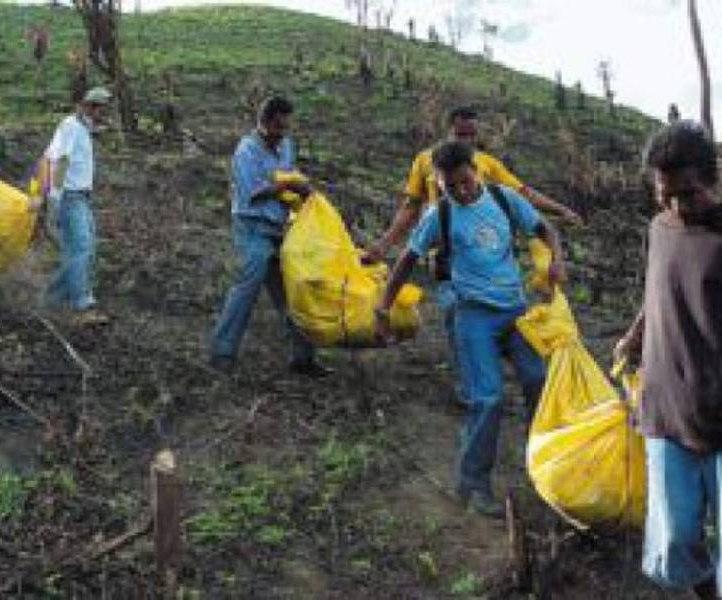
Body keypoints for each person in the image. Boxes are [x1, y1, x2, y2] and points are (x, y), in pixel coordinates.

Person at [375, 141, 566, 517]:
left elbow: (547, 231)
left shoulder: (503, 198)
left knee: (539, 380)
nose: (460, 192)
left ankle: (542, 465)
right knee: (488, 398)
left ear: (475, 170)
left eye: (464, 182)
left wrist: (557, 261)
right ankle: (473, 483)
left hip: (515, 313)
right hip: (473, 315)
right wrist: (383, 306)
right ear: (440, 183)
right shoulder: (439, 214)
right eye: (451, 187)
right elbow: (406, 260)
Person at [364, 106, 580, 397]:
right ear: (448, 131)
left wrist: (560, 209)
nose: (466, 140)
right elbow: (410, 208)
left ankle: (485, 374)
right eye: (460, 134)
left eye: (471, 135)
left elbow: (523, 194)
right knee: (459, 317)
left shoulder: (486, 164)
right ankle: (472, 386)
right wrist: (384, 244)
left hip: (489, 260)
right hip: (445, 262)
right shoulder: (426, 162)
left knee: (495, 327)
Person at [614, 121, 721, 600]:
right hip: (665, 403)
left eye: (688, 193)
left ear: (712, 181)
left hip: (719, 408)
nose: (676, 205)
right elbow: (660, 287)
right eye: (665, 194)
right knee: (675, 537)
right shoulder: (659, 228)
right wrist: (635, 335)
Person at [208, 96, 330, 377]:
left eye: (285, 128)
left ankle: (303, 358)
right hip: (251, 228)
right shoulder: (246, 151)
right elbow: (252, 191)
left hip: (279, 228)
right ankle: (221, 354)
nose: (281, 135)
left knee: (293, 291)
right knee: (246, 289)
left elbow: (289, 180)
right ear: (263, 123)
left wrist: (302, 194)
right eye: (276, 128)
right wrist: (287, 184)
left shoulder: (286, 144)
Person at [43, 86, 112, 325]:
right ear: (90, 107)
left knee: (85, 249)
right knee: (81, 247)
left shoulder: (82, 128)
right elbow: (59, 160)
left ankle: (51, 300)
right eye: (102, 109)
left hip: (80, 197)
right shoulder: (71, 127)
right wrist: (53, 197)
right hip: (70, 197)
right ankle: (82, 304)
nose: (105, 114)